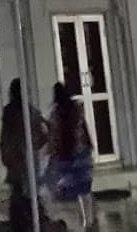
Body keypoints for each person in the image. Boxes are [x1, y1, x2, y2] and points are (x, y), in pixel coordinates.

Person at [0, 79, 53, 232]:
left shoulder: (9, 112)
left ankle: (25, 223)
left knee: (19, 194)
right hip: (28, 159)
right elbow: (44, 135)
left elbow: (5, 136)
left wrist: (5, 152)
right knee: (29, 194)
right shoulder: (32, 112)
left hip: (16, 158)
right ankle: (37, 221)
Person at [44, 81, 95, 230]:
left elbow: (54, 137)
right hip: (82, 155)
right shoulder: (76, 109)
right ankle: (88, 221)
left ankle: (75, 224)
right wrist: (89, 146)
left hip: (66, 158)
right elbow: (83, 129)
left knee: (67, 192)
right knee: (85, 191)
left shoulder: (55, 113)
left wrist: (50, 152)